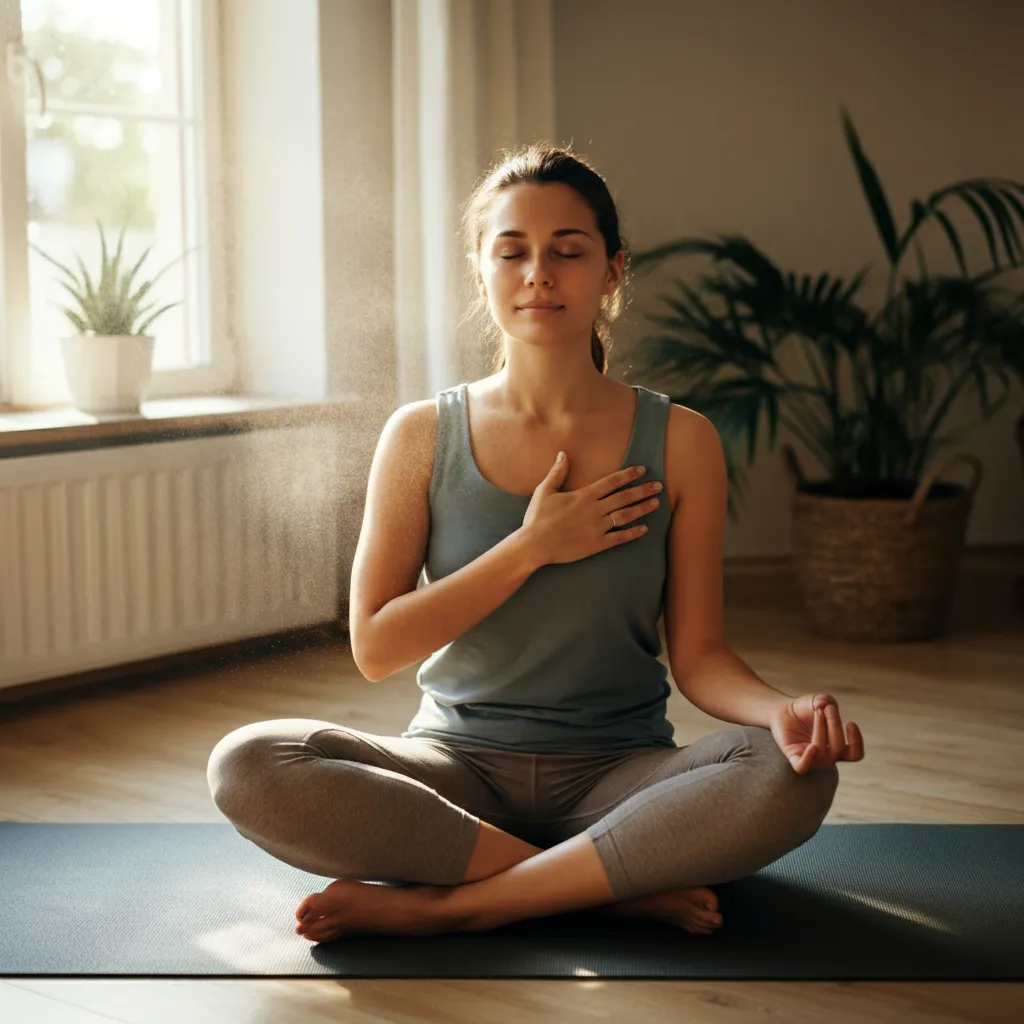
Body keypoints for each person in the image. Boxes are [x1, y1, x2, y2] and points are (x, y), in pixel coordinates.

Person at [207, 143, 865, 943]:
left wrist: (782, 710)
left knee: (791, 771)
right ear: (480, 271)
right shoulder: (420, 436)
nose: (539, 274)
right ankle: (602, 883)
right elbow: (376, 646)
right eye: (512, 251)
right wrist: (531, 547)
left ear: (613, 271)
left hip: (620, 776)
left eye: (569, 251)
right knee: (249, 761)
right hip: (454, 775)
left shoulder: (682, 440)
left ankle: (468, 902)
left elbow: (700, 658)